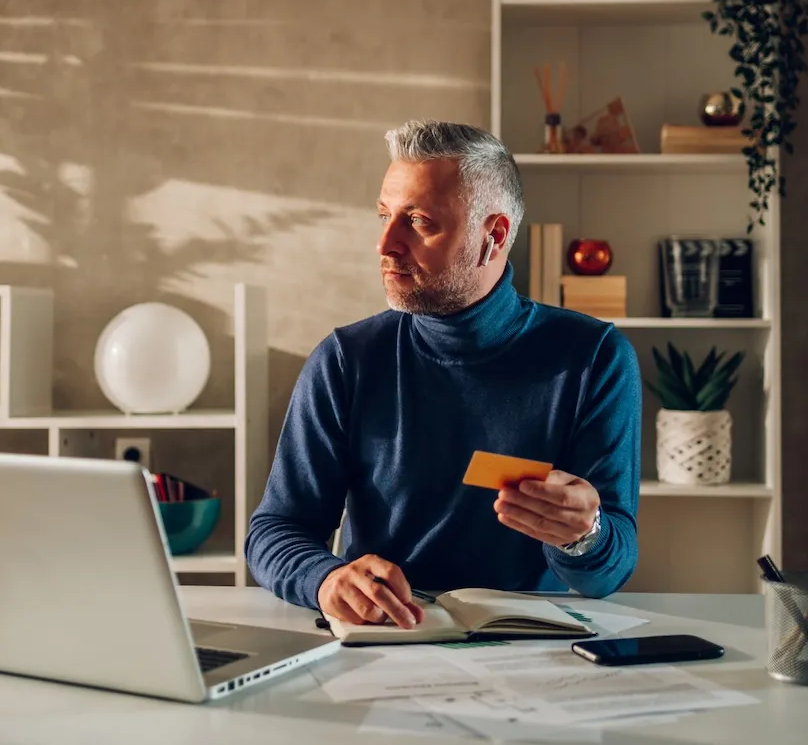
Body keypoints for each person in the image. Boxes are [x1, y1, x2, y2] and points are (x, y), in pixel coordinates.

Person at [244, 119, 640, 629]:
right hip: (383, 642)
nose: (386, 244)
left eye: (419, 222)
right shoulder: (347, 358)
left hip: (532, 650)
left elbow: (608, 572)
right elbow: (276, 529)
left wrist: (585, 536)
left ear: (493, 236)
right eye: (384, 216)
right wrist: (325, 580)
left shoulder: (595, 358)